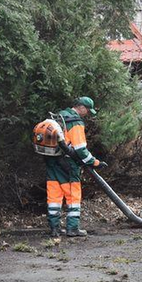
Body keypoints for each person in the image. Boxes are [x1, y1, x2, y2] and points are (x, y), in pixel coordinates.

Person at [45, 97, 107, 237]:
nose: (87, 114)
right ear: (81, 108)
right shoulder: (75, 122)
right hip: (68, 164)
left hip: (52, 160)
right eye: (87, 111)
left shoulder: (59, 116)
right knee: (73, 195)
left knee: (54, 195)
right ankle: (72, 228)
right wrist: (95, 162)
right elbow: (80, 149)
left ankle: (54, 228)